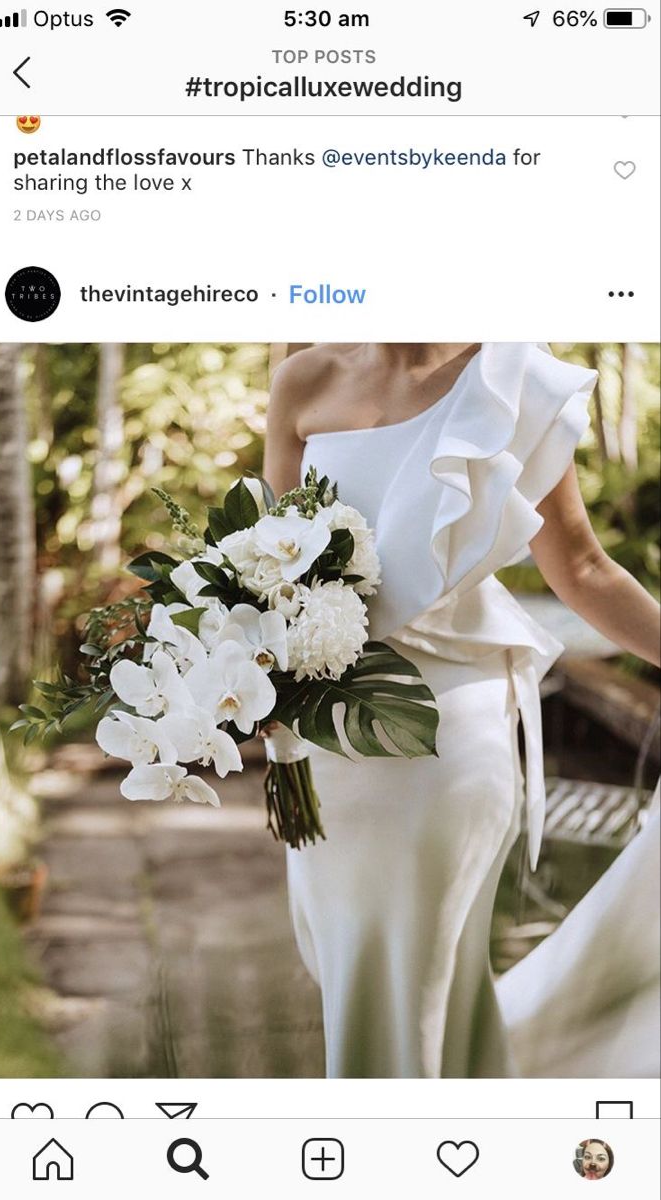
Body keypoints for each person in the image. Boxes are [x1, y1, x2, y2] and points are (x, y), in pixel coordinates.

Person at [263, 342, 661, 1078]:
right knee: (358, 972)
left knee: (419, 976)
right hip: (327, 738)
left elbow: (580, 567)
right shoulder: (302, 379)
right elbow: (269, 560)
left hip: (453, 730)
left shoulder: (515, 383)